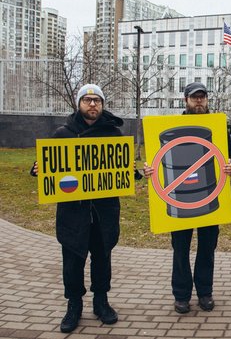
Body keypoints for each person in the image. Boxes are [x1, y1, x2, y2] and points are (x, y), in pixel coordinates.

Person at [30, 84, 142, 333]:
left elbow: (124, 172)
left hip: (104, 212)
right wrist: (37, 169)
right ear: (79, 103)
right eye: (88, 100)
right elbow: (50, 166)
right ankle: (74, 305)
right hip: (73, 213)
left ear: (102, 105)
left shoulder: (113, 135)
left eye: (97, 100)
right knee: (72, 260)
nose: (93, 104)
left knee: (102, 257)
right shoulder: (63, 134)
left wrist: (131, 172)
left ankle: (101, 302)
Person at [144, 82, 231, 314]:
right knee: (180, 249)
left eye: (202, 97)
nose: (198, 101)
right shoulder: (170, 126)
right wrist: (150, 170)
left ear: (207, 100)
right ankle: (181, 295)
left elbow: (229, 156)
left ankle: (205, 292)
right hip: (179, 200)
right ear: (186, 100)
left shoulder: (217, 126)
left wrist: (230, 167)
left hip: (209, 196)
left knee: (207, 248)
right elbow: (156, 156)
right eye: (194, 97)